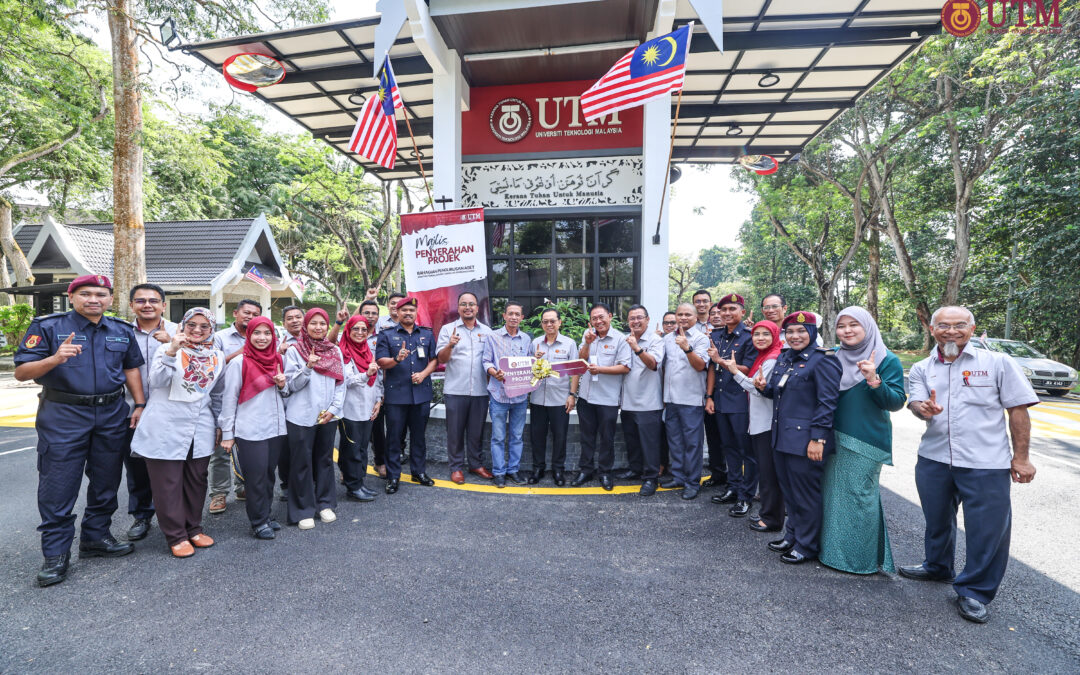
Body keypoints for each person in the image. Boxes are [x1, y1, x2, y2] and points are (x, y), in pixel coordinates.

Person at [900, 306, 1038, 624]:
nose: (951, 331)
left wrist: (1022, 457)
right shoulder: (922, 367)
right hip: (934, 459)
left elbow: (1018, 410)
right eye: (943, 326)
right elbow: (916, 403)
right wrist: (924, 408)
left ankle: (974, 591)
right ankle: (937, 567)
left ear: (972, 329)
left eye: (959, 325)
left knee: (987, 531)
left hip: (986, 464)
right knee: (937, 521)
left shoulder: (997, 363)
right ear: (931, 329)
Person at [15, 275, 145, 587]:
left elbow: (130, 368)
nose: (93, 299)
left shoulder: (121, 330)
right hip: (63, 415)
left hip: (112, 414)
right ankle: (56, 555)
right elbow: (21, 372)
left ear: (110, 299)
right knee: (59, 485)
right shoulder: (48, 327)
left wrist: (139, 403)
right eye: (85, 293)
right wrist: (55, 358)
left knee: (106, 480)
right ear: (71, 296)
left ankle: (96, 538)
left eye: (100, 294)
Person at [130, 308, 225, 557]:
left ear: (212, 329)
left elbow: (217, 395)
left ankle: (193, 528)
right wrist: (172, 351)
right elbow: (157, 382)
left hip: (201, 425)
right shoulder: (167, 350)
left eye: (204, 326)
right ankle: (176, 535)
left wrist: (219, 425)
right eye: (191, 324)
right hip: (165, 425)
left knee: (197, 479)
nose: (197, 330)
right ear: (182, 325)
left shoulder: (217, 355)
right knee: (168, 484)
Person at [819, 307, 906, 575]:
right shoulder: (833, 357)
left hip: (865, 441)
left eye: (854, 325)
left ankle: (859, 560)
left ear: (868, 326)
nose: (847, 330)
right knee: (833, 496)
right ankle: (832, 553)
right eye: (842, 325)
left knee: (859, 497)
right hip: (831, 436)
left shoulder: (886, 359)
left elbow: (896, 402)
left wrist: (873, 379)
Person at [759, 311, 842, 564]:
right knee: (789, 491)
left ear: (812, 332)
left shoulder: (823, 360)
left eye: (801, 331)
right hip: (781, 437)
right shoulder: (785, 358)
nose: (795, 336)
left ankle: (807, 546)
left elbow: (827, 403)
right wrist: (763, 387)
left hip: (806, 441)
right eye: (790, 332)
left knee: (805, 495)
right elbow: (778, 392)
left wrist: (818, 438)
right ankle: (792, 535)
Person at [218, 316, 290, 540]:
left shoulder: (278, 359)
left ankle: (265, 515)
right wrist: (228, 434)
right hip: (250, 429)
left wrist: (282, 385)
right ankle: (257, 521)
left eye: (267, 333)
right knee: (256, 476)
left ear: (273, 335)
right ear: (249, 336)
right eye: (257, 333)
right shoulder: (240, 362)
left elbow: (286, 393)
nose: (262, 338)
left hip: (275, 428)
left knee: (269, 474)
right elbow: (228, 398)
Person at [122, 283, 177, 542]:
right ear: (131, 304)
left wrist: (174, 346)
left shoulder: (179, 331)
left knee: (173, 466)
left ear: (163, 305)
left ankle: (179, 515)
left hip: (171, 412)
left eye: (153, 301)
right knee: (136, 466)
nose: (147, 305)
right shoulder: (120, 333)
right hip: (131, 410)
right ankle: (142, 515)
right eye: (140, 300)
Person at [719, 320, 784, 532]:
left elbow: (758, 389)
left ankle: (770, 518)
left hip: (766, 423)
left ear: (775, 336)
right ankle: (768, 514)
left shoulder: (772, 359)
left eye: (766, 334)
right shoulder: (763, 356)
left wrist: (734, 372)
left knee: (767, 473)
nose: (760, 338)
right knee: (767, 473)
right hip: (758, 420)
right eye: (757, 334)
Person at [284, 308, 345, 529]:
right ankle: (303, 509)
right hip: (300, 416)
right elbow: (290, 386)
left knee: (325, 460)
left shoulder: (334, 351)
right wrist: (308, 367)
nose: (318, 327)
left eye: (322, 323)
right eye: (313, 323)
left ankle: (325, 503)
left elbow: (341, 383)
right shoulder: (294, 351)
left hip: (328, 415)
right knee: (301, 463)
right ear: (305, 326)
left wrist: (334, 408)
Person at [375, 296, 438, 493]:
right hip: (396, 395)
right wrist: (396, 359)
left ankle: (418, 472)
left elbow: (434, 360)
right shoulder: (386, 335)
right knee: (393, 437)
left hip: (421, 394)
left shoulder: (426, 334)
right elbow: (381, 362)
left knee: (419, 436)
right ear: (398, 313)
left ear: (415, 312)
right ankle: (393, 477)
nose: (408, 313)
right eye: (404, 310)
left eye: (411, 310)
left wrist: (423, 374)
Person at [208, 299, 262, 514]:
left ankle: (243, 487)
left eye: (255, 313)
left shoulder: (261, 336)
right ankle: (219, 493)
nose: (249, 316)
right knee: (221, 449)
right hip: (221, 400)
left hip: (249, 402)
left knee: (248, 448)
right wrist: (241, 352)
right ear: (235, 313)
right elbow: (211, 369)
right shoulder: (219, 338)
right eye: (246, 312)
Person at [706, 294, 758, 517]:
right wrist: (709, 396)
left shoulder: (749, 337)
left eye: (732, 309)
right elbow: (710, 367)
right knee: (729, 448)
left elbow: (748, 368)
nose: (727, 313)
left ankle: (746, 496)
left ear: (742, 312)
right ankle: (733, 488)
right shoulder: (716, 335)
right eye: (723, 309)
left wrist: (721, 362)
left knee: (746, 451)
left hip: (740, 400)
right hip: (719, 399)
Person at [571, 303, 631, 491]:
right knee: (586, 437)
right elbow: (581, 360)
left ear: (610, 316)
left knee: (607, 438)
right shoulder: (588, 335)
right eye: (594, 319)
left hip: (608, 399)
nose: (598, 321)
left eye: (601, 317)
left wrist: (601, 370)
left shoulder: (621, 339)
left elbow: (625, 367)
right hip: (586, 398)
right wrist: (588, 342)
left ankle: (605, 473)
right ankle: (586, 470)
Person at [437, 292, 494, 484]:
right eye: (463, 304)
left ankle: (476, 464)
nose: (467, 307)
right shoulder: (448, 329)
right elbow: (441, 359)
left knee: (476, 431)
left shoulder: (487, 332)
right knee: (454, 431)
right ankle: (456, 468)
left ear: (477, 308)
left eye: (471, 304)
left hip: (480, 390)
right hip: (455, 390)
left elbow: (491, 360)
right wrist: (450, 345)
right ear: (458, 307)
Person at [660, 303, 709, 500]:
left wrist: (687, 348)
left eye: (687, 314)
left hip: (691, 400)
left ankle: (692, 482)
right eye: (679, 314)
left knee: (692, 444)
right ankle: (679, 476)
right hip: (670, 399)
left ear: (696, 318)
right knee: (675, 442)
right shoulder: (666, 339)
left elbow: (700, 366)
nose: (682, 318)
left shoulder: (701, 339)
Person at [483, 301, 532, 488]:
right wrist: (494, 372)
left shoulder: (526, 339)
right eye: (510, 313)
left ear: (522, 318)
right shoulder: (492, 337)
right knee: (497, 436)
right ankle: (499, 472)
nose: (513, 317)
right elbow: (486, 360)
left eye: (517, 314)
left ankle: (513, 470)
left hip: (520, 397)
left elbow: (530, 364)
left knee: (517, 436)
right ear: (504, 316)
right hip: (498, 396)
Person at [527, 308, 578, 486]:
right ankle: (538, 469)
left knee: (560, 436)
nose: (549, 324)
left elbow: (575, 372)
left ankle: (558, 470)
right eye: (545, 321)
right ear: (542, 324)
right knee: (537, 436)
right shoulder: (535, 343)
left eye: (552, 321)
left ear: (559, 322)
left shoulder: (569, 344)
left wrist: (572, 395)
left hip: (559, 399)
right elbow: (527, 369)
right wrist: (533, 359)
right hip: (538, 399)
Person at [619, 305, 665, 496]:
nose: (635, 321)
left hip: (649, 402)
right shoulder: (624, 339)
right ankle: (635, 469)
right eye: (632, 318)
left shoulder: (655, 340)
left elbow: (653, 364)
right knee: (633, 440)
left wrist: (637, 348)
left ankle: (651, 478)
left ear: (647, 319)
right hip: (627, 400)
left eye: (639, 317)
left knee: (650, 443)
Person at [337, 316, 382, 502]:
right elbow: (347, 381)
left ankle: (359, 482)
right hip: (350, 410)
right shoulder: (343, 353)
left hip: (368, 409)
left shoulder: (367, 351)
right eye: (356, 329)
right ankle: (352, 486)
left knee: (362, 448)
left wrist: (378, 400)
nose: (360, 333)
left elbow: (377, 379)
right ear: (348, 330)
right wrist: (365, 375)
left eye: (364, 329)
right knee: (351, 450)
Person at [657, 311, 678, 474]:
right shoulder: (661, 341)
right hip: (662, 394)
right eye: (666, 323)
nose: (669, 326)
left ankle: (680, 470)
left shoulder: (688, 340)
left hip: (682, 397)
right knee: (662, 433)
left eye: (672, 322)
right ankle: (662, 464)